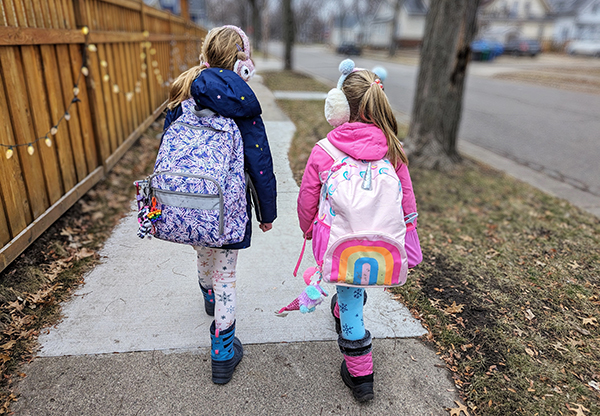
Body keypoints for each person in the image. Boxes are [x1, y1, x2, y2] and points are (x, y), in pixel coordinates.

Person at [162, 25, 277, 384]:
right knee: (227, 274)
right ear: (244, 65)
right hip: (228, 210)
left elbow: (167, 152)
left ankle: (206, 295)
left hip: (191, 203)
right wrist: (267, 212)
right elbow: (260, 163)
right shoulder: (244, 109)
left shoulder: (184, 99)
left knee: (202, 254)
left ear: (205, 58)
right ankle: (223, 352)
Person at [297, 65, 417, 401]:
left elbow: (308, 198)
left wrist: (307, 228)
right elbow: (407, 201)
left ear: (339, 107)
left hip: (338, 244)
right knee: (355, 284)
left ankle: (360, 374)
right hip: (381, 248)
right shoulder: (393, 149)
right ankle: (343, 308)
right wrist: (410, 236)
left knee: (351, 299)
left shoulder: (325, 150)